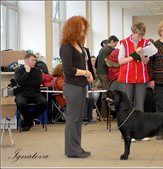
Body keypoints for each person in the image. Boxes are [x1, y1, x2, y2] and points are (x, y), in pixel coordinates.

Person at [60, 16, 93, 158]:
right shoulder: (66, 46)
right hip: (72, 86)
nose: (82, 32)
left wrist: (88, 74)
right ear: (72, 29)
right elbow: (68, 70)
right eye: (80, 29)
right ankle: (72, 150)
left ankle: (76, 147)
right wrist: (86, 72)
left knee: (78, 119)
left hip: (80, 85)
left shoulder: (79, 46)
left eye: (84, 30)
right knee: (73, 119)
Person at [118, 21, 157, 142]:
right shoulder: (123, 43)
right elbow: (120, 61)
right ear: (132, 32)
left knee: (140, 105)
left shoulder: (146, 43)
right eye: (137, 35)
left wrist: (141, 54)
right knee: (126, 105)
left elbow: (145, 62)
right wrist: (133, 56)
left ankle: (141, 132)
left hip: (141, 78)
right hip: (126, 78)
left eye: (141, 36)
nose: (139, 38)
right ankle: (126, 133)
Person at [15, 53, 48, 131]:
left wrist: (24, 84)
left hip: (35, 93)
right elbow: (19, 82)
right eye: (32, 60)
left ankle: (27, 121)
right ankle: (28, 122)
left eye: (35, 60)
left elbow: (37, 83)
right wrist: (27, 72)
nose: (34, 62)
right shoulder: (18, 70)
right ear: (26, 60)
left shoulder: (37, 71)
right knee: (20, 103)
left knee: (44, 103)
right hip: (22, 93)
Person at [96, 35, 119, 120]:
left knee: (105, 92)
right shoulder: (107, 49)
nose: (115, 46)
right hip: (104, 73)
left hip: (101, 72)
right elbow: (104, 62)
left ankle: (105, 114)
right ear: (112, 41)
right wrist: (117, 65)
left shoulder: (103, 49)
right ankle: (104, 115)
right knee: (105, 93)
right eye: (115, 43)